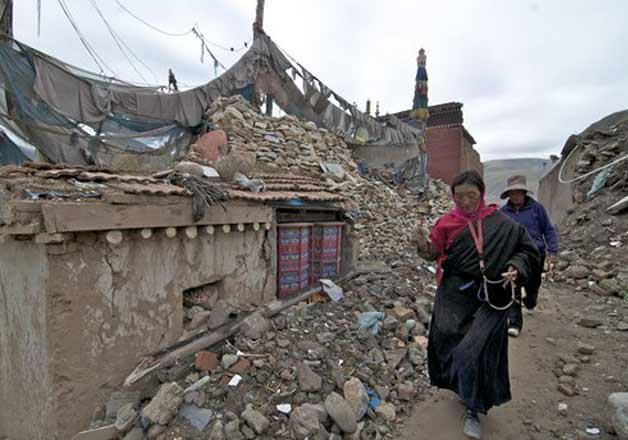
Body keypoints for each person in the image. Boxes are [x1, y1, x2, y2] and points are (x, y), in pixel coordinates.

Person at [415, 170, 541, 439]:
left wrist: (514, 267)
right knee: (451, 345)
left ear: (481, 194)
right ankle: (463, 387)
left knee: (475, 351)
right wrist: (420, 244)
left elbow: (527, 250)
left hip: (491, 297)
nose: (466, 201)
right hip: (455, 296)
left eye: (471, 195)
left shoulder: (502, 223)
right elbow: (432, 253)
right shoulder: (446, 223)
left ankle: (474, 409)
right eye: (459, 196)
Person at [500, 175, 559, 337]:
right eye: (512, 193)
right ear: (508, 195)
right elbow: (498, 234)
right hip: (514, 255)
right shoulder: (503, 213)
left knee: (533, 284)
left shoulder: (537, 209)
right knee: (514, 285)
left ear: (524, 193)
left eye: (519, 192)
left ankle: (531, 299)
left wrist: (552, 251)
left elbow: (548, 229)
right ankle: (514, 323)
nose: (516, 196)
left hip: (535, 254)